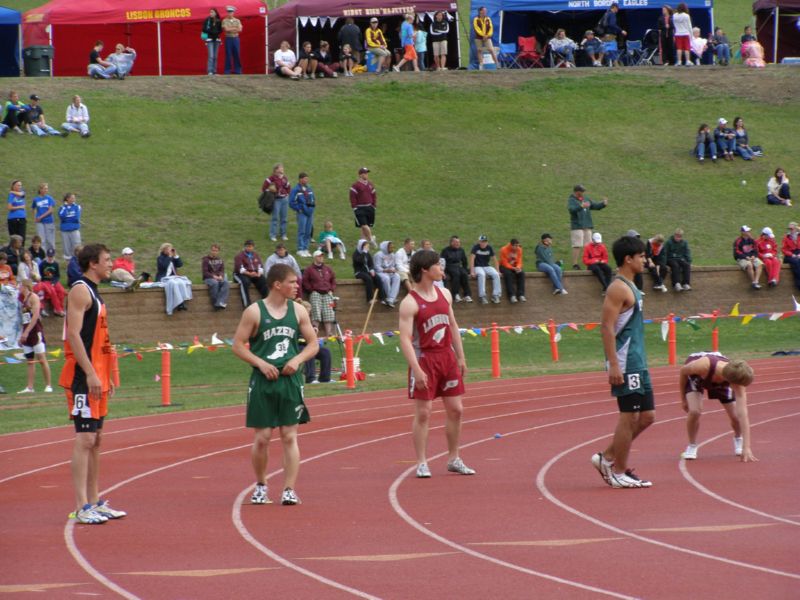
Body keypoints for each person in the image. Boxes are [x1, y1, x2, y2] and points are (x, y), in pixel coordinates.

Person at [233, 264, 318, 506]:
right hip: (263, 381)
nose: (296, 286)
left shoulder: (299, 310)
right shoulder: (254, 312)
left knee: (289, 436)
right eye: (292, 282)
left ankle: (289, 489)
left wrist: (297, 359)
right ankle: (261, 485)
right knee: (262, 437)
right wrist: (260, 363)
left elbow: (313, 344)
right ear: (277, 284)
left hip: (289, 380)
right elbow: (238, 345)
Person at [59, 243, 127, 524]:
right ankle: (81, 505)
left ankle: (96, 500)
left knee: (97, 440)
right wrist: (89, 372)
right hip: (82, 375)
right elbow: (74, 336)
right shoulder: (79, 290)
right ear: (92, 264)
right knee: (85, 438)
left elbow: (100, 337)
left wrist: (107, 372)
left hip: (98, 373)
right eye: (107, 260)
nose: (111, 264)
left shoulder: (95, 292)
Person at [398, 249, 475, 479]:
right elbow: (404, 339)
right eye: (438, 266)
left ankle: (454, 458)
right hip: (425, 359)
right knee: (424, 413)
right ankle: (422, 461)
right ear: (425, 270)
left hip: (447, 357)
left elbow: (452, 325)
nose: (442, 269)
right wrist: (417, 369)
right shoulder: (410, 303)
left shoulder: (446, 294)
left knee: (457, 410)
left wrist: (461, 357)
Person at [591, 235, 654, 489]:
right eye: (641, 256)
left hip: (638, 359)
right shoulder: (618, 287)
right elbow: (606, 327)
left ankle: (606, 457)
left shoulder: (632, 285)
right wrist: (614, 365)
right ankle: (618, 471)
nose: (645, 260)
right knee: (629, 416)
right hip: (625, 361)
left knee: (648, 416)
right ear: (628, 259)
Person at [679, 353, 756, 462]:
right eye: (737, 386)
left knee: (735, 416)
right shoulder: (702, 365)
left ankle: (738, 438)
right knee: (695, 411)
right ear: (730, 381)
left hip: (719, 376)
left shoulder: (737, 380)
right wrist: (683, 399)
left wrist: (746, 447)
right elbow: (682, 372)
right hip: (699, 375)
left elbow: (743, 414)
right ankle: (692, 445)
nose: (739, 388)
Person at [17, 279, 52, 394]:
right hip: (26, 332)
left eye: (20, 286)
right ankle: (30, 387)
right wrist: (22, 334)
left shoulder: (33, 297)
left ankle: (48, 385)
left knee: (41, 359)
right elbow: (24, 319)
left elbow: (35, 316)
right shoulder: (23, 300)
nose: (18, 288)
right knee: (30, 360)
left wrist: (27, 332)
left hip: (35, 331)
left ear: (25, 286)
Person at [568, 184, 608, 270]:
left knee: (589, 245)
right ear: (576, 191)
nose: (582, 193)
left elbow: (595, 206)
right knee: (577, 245)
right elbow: (571, 210)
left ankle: (590, 264)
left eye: (583, 191)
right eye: (581, 191)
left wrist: (603, 204)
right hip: (577, 225)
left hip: (587, 225)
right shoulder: (571, 200)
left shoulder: (586, 199)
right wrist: (580, 206)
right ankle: (575, 264)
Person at [302, 250, 337, 338]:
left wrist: (331, 289)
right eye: (319, 256)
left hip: (327, 292)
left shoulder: (328, 268)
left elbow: (333, 279)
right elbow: (305, 281)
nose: (321, 257)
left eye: (322, 256)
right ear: (315, 257)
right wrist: (311, 290)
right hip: (316, 292)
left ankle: (329, 333)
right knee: (315, 312)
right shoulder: (309, 269)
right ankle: (314, 333)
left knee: (329, 312)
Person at [155, 242, 192, 314]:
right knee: (174, 284)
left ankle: (183, 300)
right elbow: (164, 266)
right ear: (163, 250)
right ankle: (180, 303)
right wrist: (169, 257)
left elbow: (180, 264)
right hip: (164, 277)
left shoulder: (172, 257)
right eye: (168, 249)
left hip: (173, 277)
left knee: (181, 282)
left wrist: (175, 256)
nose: (169, 251)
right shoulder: (160, 258)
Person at [288, 172, 316, 257]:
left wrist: (312, 208)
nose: (307, 180)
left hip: (310, 213)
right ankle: (300, 249)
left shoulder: (309, 188)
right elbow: (291, 202)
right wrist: (299, 209)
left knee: (308, 231)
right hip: (302, 213)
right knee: (302, 231)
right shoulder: (296, 190)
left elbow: (313, 199)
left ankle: (306, 248)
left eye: (307, 179)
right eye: (305, 179)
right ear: (300, 179)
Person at [234, 239, 268, 306]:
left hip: (254, 273)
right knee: (245, 282)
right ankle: (246, 304)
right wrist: (249, 274)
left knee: (264, 281)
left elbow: (260, 266)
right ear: (245, 247)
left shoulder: (256, 255)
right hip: (241, 274)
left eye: (251, 246)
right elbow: (240, 269)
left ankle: (265, 302)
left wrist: (259, 273)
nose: (250, 248)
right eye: (248, 246)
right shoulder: (239, 256)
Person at [350, 167, 377, 247]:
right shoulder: (355, 185)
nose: (366, 175)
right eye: (365, 173)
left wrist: (374, 206)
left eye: (367, 173)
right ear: (360, 175)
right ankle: (371, 239)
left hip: (369, 207)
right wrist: (354, 208)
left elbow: (374, 195)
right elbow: (352, 197)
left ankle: (362, 244)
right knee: (364, 225)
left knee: (365, 227)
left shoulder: (370, 184)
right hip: (360, 208)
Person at [469, 235, 501, 304]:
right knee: (482, 274)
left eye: (485, 241)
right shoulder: (475, 248)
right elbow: (472, 259)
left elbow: (495, 260)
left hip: (486, 266)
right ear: (479, 242)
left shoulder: (489, 248)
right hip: (477, 266)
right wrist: (472, 271)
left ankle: (495, 295)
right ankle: (482, 296)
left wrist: (498, 270)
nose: (483, 243)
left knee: (496, 274)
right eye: (482, 241)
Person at [440, 236, 472, 302]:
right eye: (456, 242)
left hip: (457, 266)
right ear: (451, 243)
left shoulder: (461, 250)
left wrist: (465, 269)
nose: (458, 243)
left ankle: (467, 295)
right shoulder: (445, 250)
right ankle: (455, 294)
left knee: (464, 274)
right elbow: (442, 261)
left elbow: (464, 261)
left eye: (459, 242)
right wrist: (442, 270)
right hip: (448, 266)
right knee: (456, 274)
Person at [352, 239, 384, 304]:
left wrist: (372, 269)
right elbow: (359, 261)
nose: (367, 248)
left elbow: (371, 263)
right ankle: (370, 299)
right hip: (359, 272)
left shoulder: (367, 253)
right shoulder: (356, 254)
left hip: (367, 271)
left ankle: (382, 297)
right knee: (369, 279)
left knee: (378, 278)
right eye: (366, 246)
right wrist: (364, 252)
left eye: (367, 246)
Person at [264, 163, 290, 242]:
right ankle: (273, 235)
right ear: (275, 170)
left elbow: (288, 188)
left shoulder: (284, 178)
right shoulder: (271, 178)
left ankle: (283, 234)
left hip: (284, 199)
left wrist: (286, 194)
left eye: (282, 168)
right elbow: (264, 188)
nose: (282, 170)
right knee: (275, 218)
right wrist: (270, 190)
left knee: (284, 218)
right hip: (276, 200)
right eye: (280, 168)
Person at [733, 225, 763, 290]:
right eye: (747, 231)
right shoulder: (738, 241)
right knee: (749, 264)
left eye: (749, 231)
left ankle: (756, 281)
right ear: (743, 232)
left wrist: (753, 256)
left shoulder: (752, 240)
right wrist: (745, 257)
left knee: (760, 264)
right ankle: (753, 282)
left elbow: (755, 250)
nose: (749, 232)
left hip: (751, 257)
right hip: (742, 258)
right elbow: (736, 252)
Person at [38, 248, 67, 316]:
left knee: (62, 291)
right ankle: (58, 309)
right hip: (45, 281)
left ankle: (60, 308)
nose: (50, 258)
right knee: (52, 291)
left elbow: (57, 275)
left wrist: (54, 282)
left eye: (51, 256)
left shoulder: (56, 264)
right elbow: (40, 275)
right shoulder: (42, 264)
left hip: (54, 281)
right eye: (49, 256)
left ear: (54, 256)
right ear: (46, 256)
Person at [202, 243, 229, 310]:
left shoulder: (220, 260)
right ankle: (215, 303)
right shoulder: (206, 260)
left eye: (216, 251)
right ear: (210, 250)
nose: (214, 252)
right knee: (215, 283)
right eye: (213, 250)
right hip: (208, 278)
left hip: (218, 277)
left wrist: (220, 276)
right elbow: (205, 272)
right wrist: (214, 277)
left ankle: (220, 302)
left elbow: (222, 270)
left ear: (218, 251)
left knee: (226, 282)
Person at [498, 238, 525, 303]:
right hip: (503, 266)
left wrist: (518, 267)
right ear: (511, 245)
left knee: (521, 273)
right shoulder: (503, 249)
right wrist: (513, 268)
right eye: (515, 246)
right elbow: (504, 262)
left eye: (518, 245)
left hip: (515, 266)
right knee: (508, 274)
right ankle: (511, 295)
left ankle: (521, 294)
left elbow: (519, 261)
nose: (517, 247)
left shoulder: (519, 250)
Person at [375, 241, 401, 307]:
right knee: (386, 278)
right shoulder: (378, 255)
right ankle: (389, 298)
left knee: (397, 276)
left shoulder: (392, 255)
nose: (392, 249)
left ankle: (391, 298)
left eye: (393, 247)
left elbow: (392, 265)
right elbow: (377, 267)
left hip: (389, 272)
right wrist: (386, 270)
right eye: (390, 247)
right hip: (380, 272)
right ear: (386, 247)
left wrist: (393, 270)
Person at [32, 183, 56, 254]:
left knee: (50, 240)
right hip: (39, 222)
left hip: (48, 221)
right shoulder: (36, 199)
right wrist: (35, 217)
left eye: (47, 188)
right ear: (40, 189)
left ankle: (51, 255)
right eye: (44, 188)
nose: (46, 190)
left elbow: (50, 210)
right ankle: (43, 255)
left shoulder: (49, 198)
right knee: (41, 240)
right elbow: (33, 208)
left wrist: (40, 217)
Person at [58, 193, 82, 261]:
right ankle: (68, 262)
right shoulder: (62, 207)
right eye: (72, 198)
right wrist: (67, 208)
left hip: (74, 229)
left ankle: (78, 260)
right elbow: (62, 217)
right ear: (67, 199)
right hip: (65, 230)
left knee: (77, 245)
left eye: (74, 198)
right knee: (66, 246)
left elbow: (76, 218)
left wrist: (68, 218)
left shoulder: (77, 207)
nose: (73, 199)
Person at [222, 6, 243, 74]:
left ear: (233, 12)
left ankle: (238, 70)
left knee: (236, 54)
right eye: (228, 12)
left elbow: (240, 29)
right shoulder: (224, 20)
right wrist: (235, 28)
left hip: (236, 39)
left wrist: (231, 28)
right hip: (228, 39)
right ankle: (227, 71)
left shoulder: (237, 20)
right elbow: (226, 29)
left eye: (231, 12)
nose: (229, 13)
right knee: (228, 54)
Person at [202, 8, 223, 75]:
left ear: (215, 13)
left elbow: (221, 30)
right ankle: (209, 71)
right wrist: (211, 32)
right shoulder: (207, 20)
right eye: (210, 12)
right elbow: (204, 29)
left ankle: (214, 71)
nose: (211, 13)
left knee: (215, 56)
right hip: (210, 39)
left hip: (216, 40)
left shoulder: (218, 21)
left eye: (212, 12)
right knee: (211, 56)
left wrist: (216, 32)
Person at [782, 221, 800, 290]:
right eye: (789, 229)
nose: (790, 230)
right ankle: (798, 283)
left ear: (796, 229)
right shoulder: (786, 237)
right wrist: (792, 254)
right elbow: (784, 249)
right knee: (796, 262)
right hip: (789, 255)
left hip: (798, 253)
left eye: (792, 229)